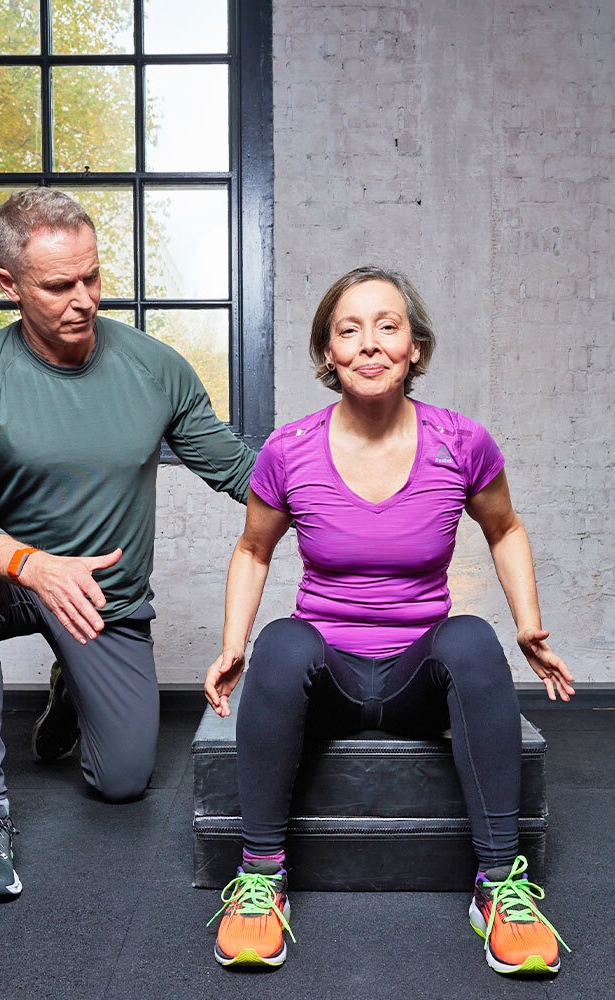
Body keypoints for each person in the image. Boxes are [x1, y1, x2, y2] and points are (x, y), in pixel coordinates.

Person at [203, 266, 574, 974]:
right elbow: (254, 549)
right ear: (328, 353)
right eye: (350, 330)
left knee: (469, 635)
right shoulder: (290, 450)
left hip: (416, 686)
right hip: (329, 683)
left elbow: (504, 528)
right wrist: (231, 644)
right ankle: (260, 881)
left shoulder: (461, 442)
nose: (369, 344)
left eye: (388, 326)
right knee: (281, 641)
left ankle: (497, 887)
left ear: (413, 347)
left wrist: (529, 623)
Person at [0, 187, 256, 901]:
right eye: (58, 285)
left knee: (123, 782)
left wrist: (353, 484)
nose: (84, 299)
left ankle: (71, 684)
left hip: (102, 596)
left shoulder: (154, 368)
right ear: (8, 285)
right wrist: (35, 567)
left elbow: (237, 470)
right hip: (13, 581)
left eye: (93, 277)